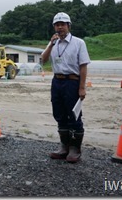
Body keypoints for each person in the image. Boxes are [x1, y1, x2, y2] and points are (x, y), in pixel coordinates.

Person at [41, 12, 90, 163]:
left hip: (72, 81)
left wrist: (81, 88)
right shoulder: (53, 43)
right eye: (57, 24)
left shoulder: (78, 43)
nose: (60, 27)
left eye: (63, 24)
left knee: (74, 115)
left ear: (69, 26)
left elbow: (83, 66)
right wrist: (50, 44)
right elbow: (43, 60)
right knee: (59, 113)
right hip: (57, 81)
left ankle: (75, 148)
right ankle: (64, 147)